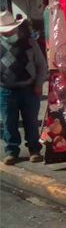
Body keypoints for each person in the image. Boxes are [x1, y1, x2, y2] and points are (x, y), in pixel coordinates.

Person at [0, 10, 47, 165]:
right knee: (9, 122)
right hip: (6, 90)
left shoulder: (30, 43)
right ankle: (12, 151)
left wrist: (39, 84)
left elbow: (41, 65)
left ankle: (34, 149)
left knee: (31, 122)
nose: (9, 34)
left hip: (29, 89)